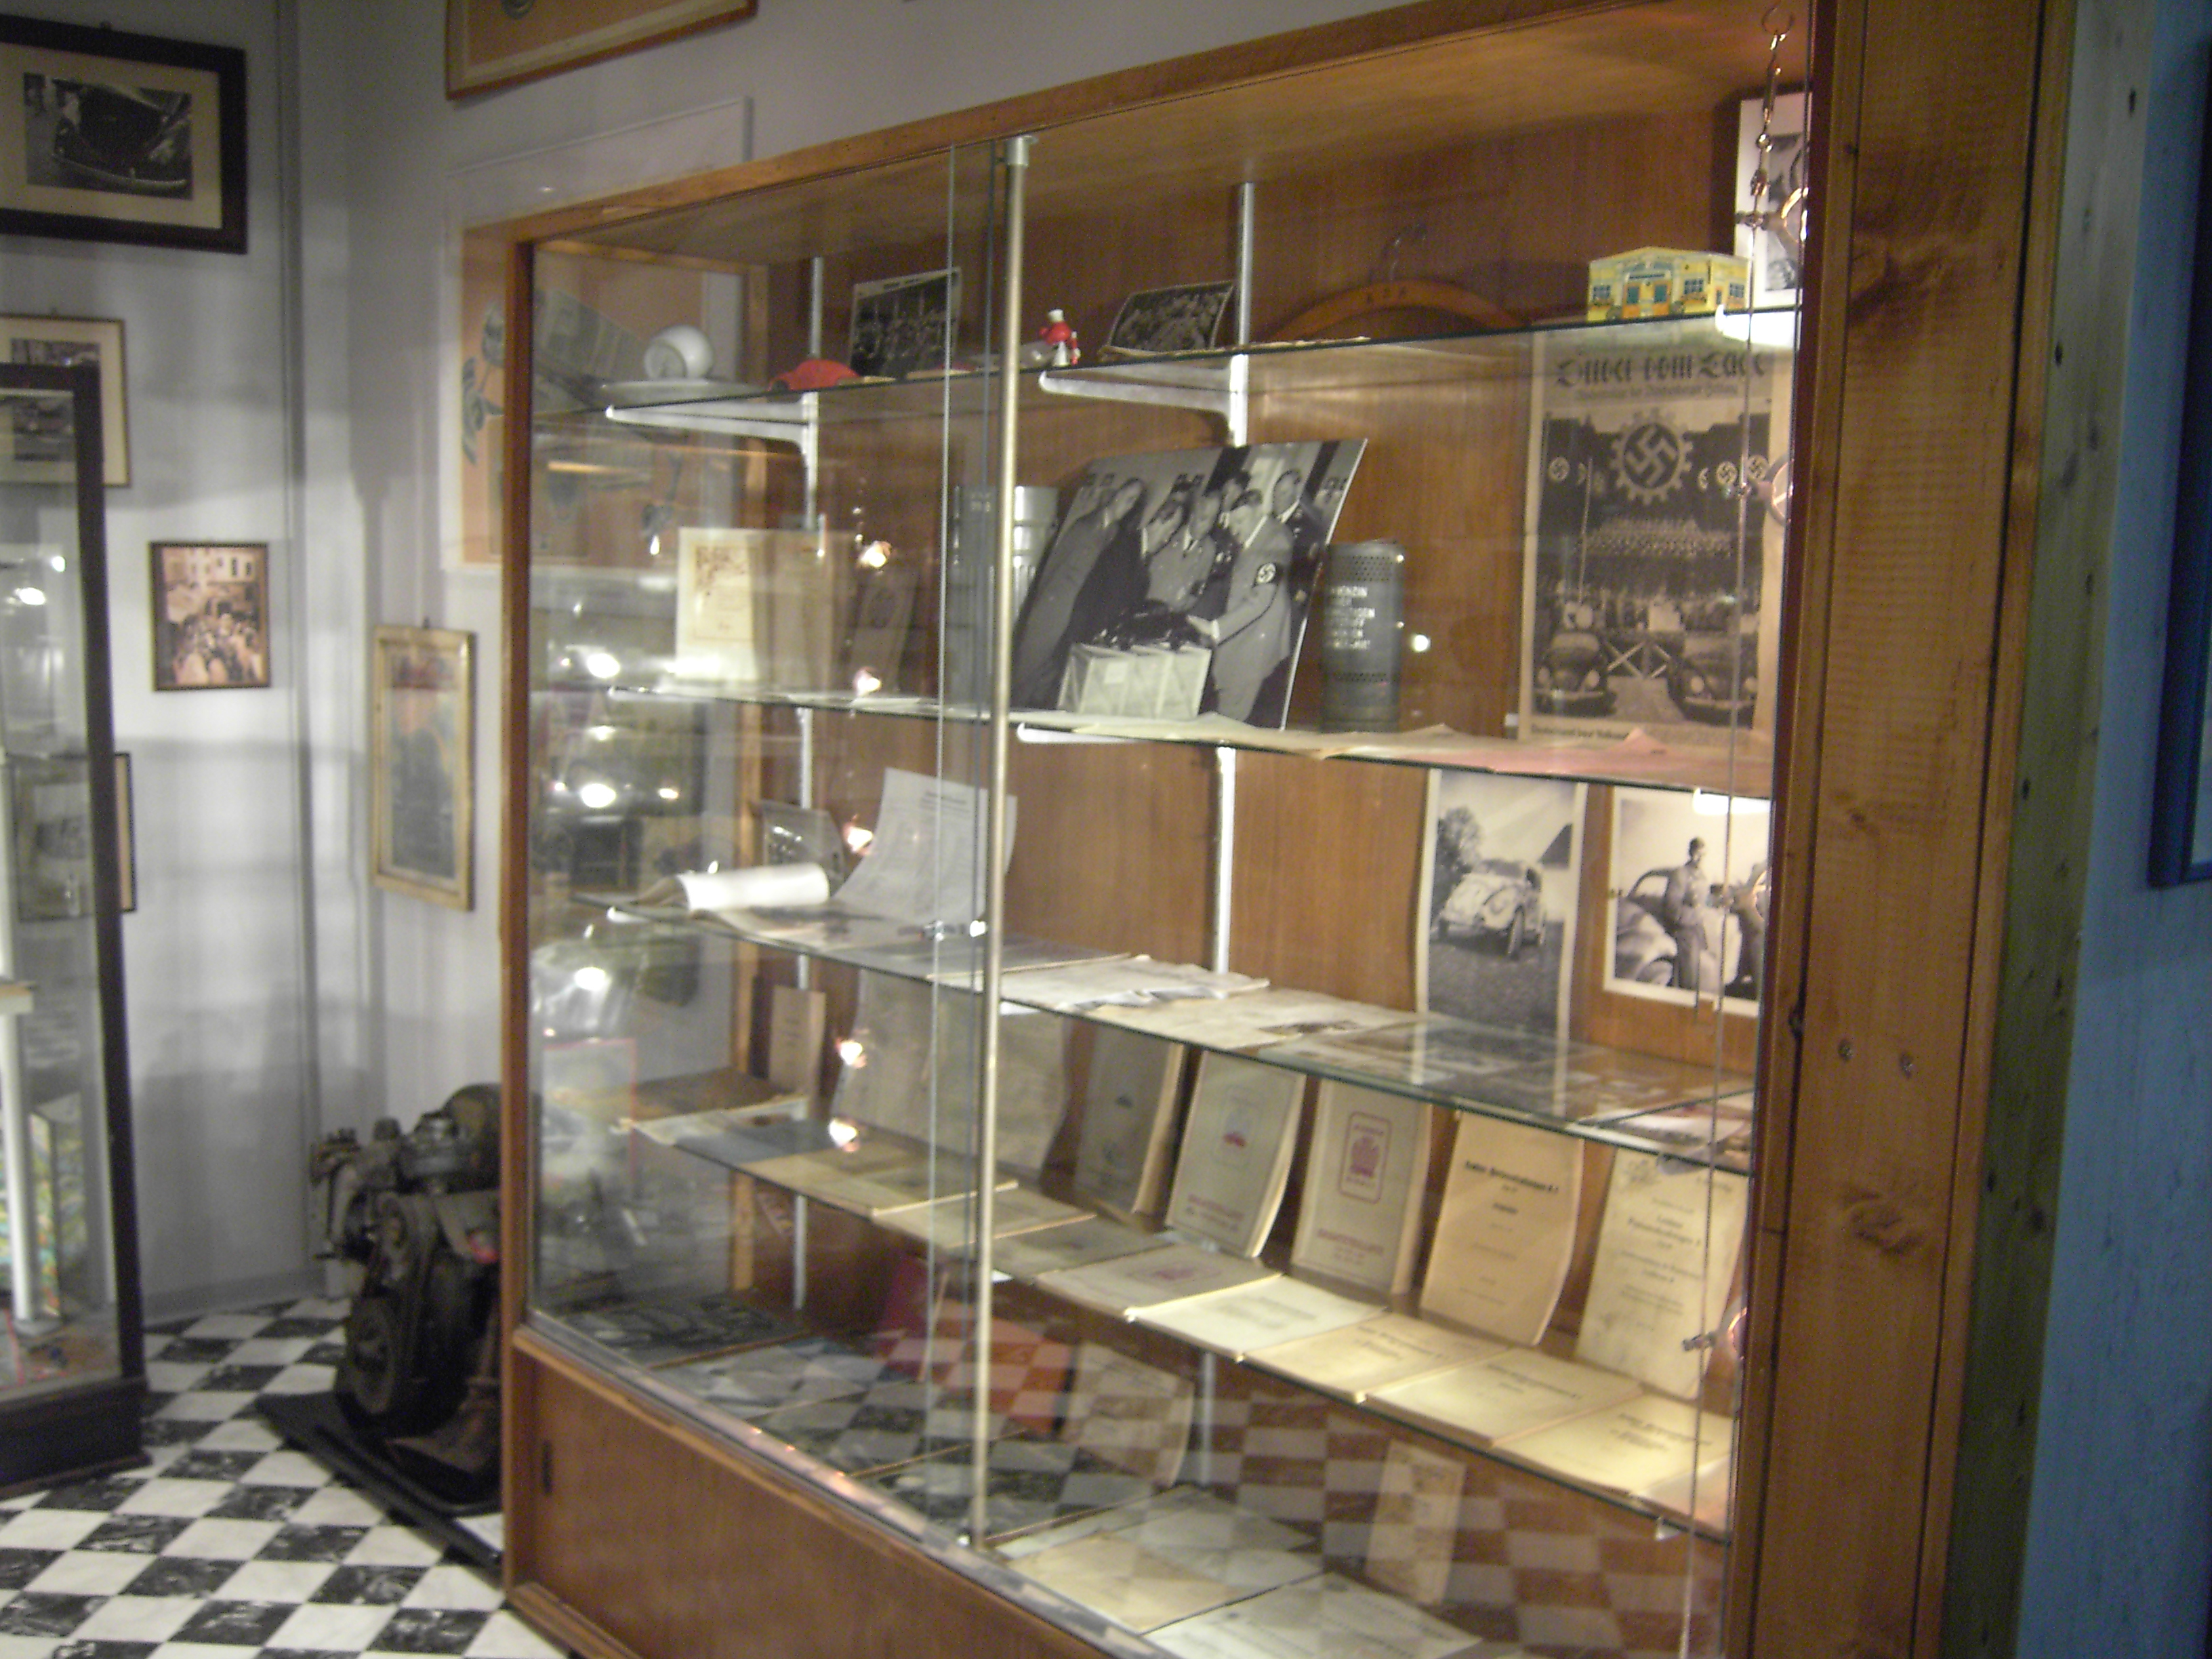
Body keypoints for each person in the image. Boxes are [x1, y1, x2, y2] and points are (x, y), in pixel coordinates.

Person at [1009, 474, 1145, 708]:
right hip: (1055, 605)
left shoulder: (1112, 532)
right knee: (1030, 664)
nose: (1129, 506)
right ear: (1117, 495)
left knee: (1051, 671)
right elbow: (1054, 566)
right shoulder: (1085, 527)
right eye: (1128, 498)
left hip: (1077, 612)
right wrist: (1039, 605)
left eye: (1134, 502)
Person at [1191, 483, 1294, 722]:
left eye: (1241, 521)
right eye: (1233, 522)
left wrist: (1215, 628)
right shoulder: (1254, 537)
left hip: (1253, 642)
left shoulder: (1276, 541)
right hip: (1241, 636)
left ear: (1258, 512)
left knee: (1230, 714)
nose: (1235, 529)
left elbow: (1261, 600)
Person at [1145, 483, 1223, 612]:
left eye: (1212, 520)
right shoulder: (1170, 533)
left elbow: (1197, 588)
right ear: (1193, 515)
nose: (1207, 526)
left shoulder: (1209, 550)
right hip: (1145, 606)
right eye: (1203, 519)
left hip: (1172, 615)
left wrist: (1184, 606)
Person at [1660, 836, 1711, 991]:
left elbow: (1704, 902)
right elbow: (1672, 907)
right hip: (1684, 931)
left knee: (1698, 974)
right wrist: (1691, 918)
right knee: (1688, 979)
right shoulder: (1680, 874)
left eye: (1703, 855)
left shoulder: (1702, 876)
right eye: (1697, 854)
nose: (1700, 858)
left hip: (1697, 929)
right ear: (1690, 853)